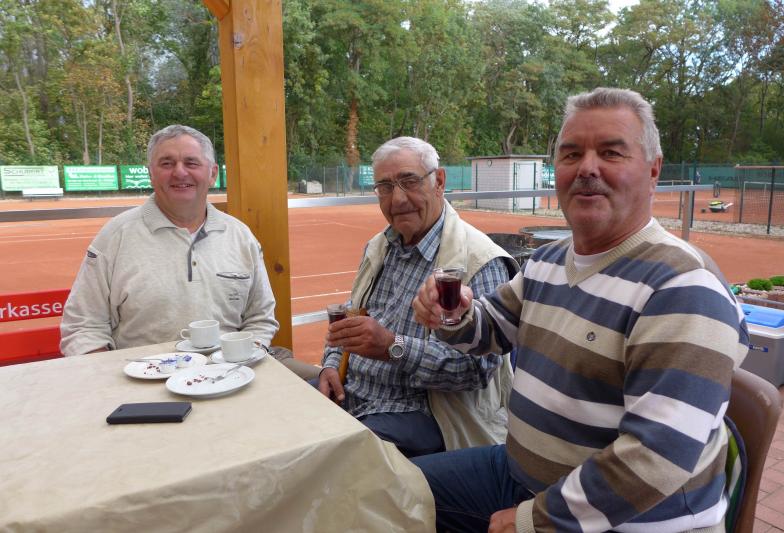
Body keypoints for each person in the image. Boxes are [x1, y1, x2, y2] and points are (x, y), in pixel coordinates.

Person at [411, 88, 749, 532]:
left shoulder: (683, 288)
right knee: (393, 488)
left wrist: (533, 520)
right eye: (571, 154)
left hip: (627, 521)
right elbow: (491, 329)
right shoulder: (550, 260)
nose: (587, 168)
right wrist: (452, 314)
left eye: (611, 152)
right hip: (520, 476)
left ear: (653, 169)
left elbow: (656, 457)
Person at [318, 136, 519, 458]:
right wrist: (330, 366)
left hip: (425, 415)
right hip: (353, 392)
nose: (398, 199)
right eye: (385, 186)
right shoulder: (379, 247)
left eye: (409, 181)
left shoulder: (480, 260)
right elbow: (351, 318)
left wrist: (392, 347)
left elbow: (476, 370)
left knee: (331, 455)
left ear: (439, 182)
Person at [60, 125, 278, 356]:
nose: (180, 172)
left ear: (212, 174)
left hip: (231, 370)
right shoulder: (115, 236)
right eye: (167, 163)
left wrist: (247, 358)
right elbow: (83, 327)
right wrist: (112, 375)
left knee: (305, 376)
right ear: (150, 174)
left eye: (191, 163)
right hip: (140, 373)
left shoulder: (240, 236)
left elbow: (260, 318)